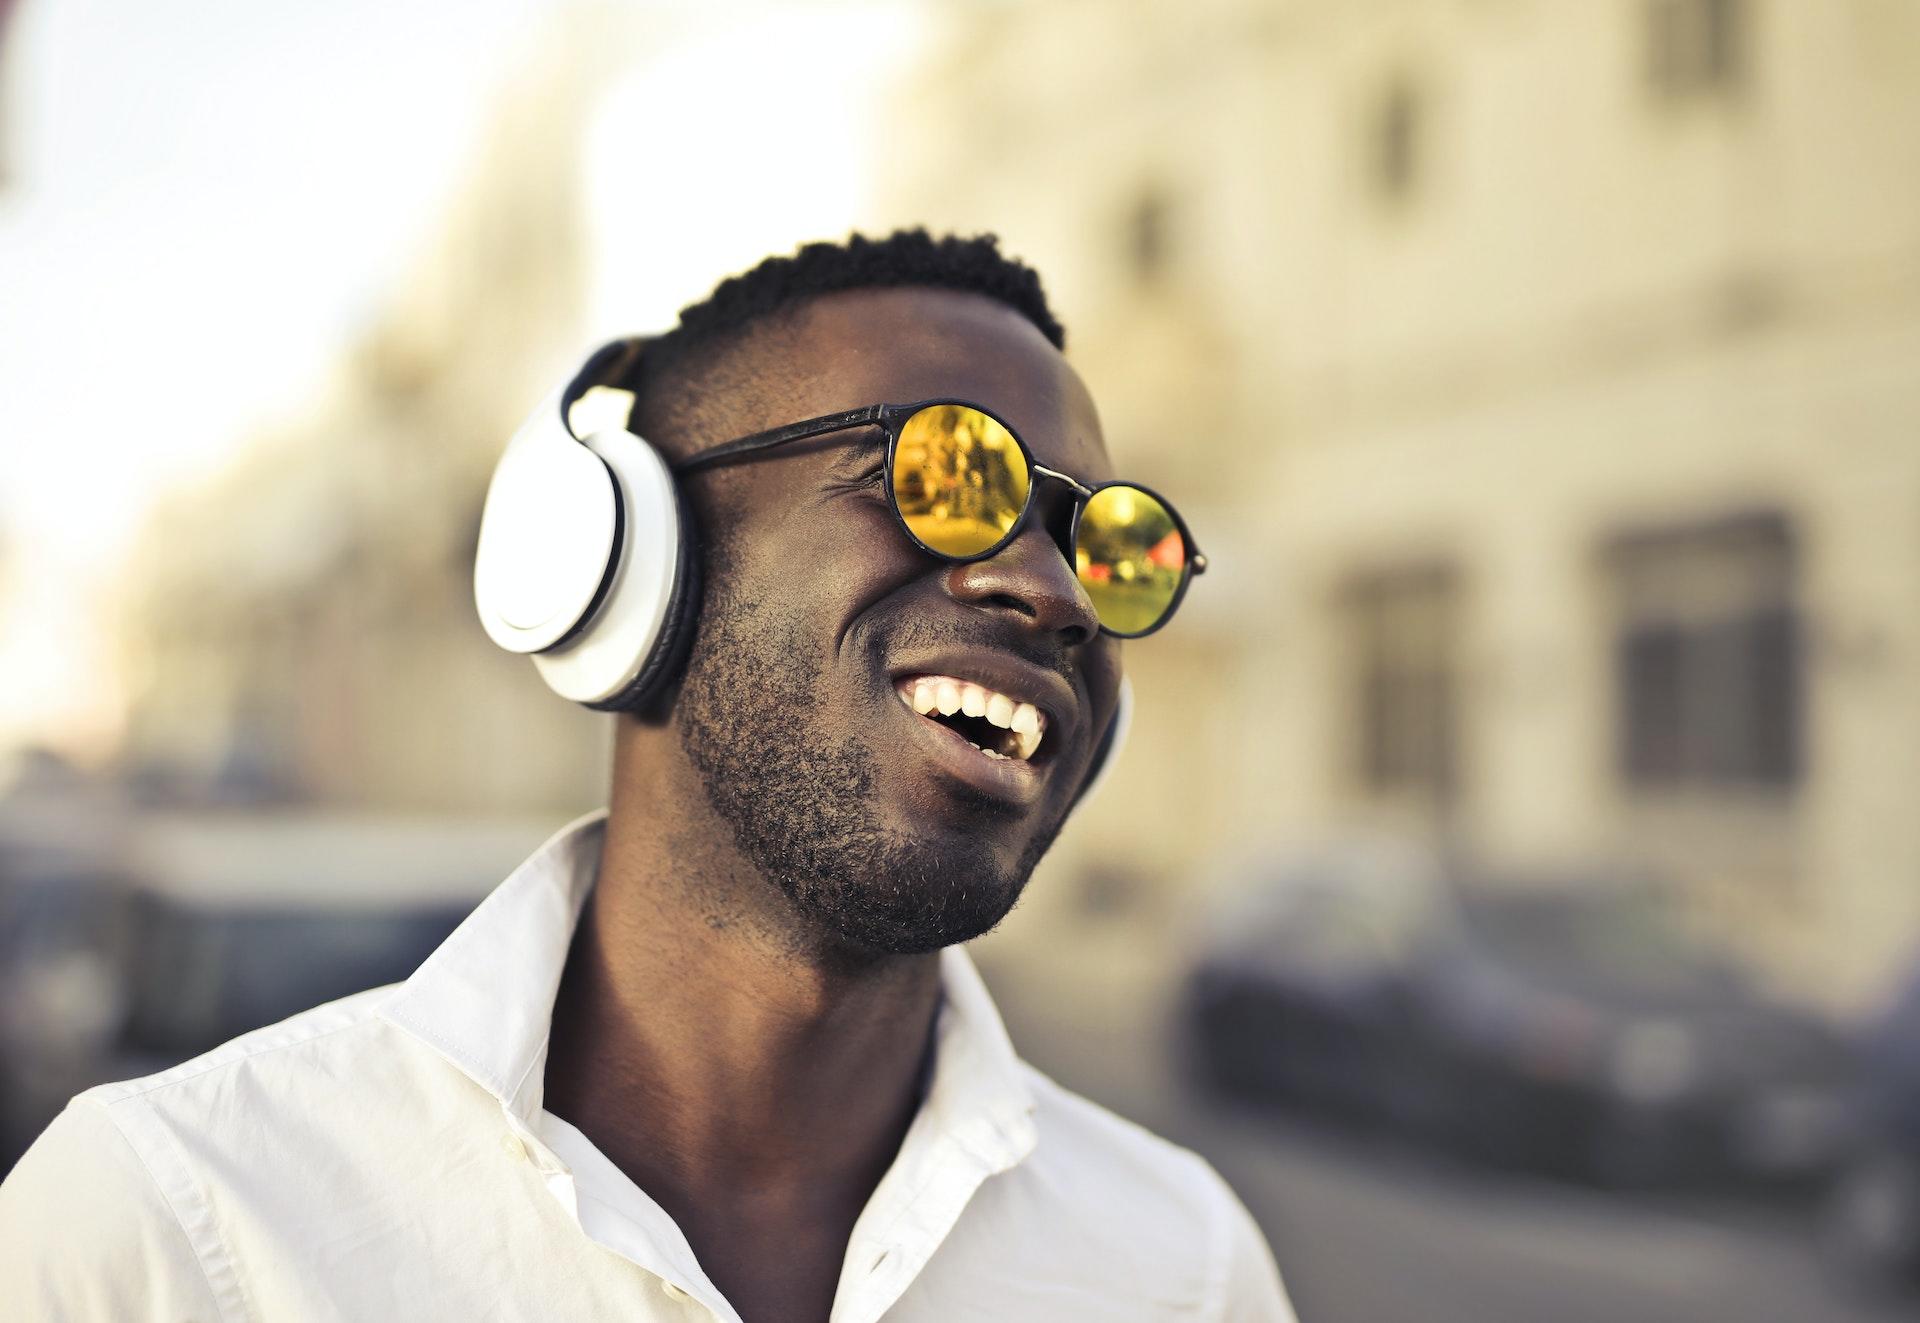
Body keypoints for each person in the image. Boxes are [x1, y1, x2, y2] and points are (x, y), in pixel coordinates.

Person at [0, 230, 1295, 1321]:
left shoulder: (1186, 1268)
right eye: (947, 476)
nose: (1057, 591)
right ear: (622, 562)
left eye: (1111, 544)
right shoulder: (166, 1237)